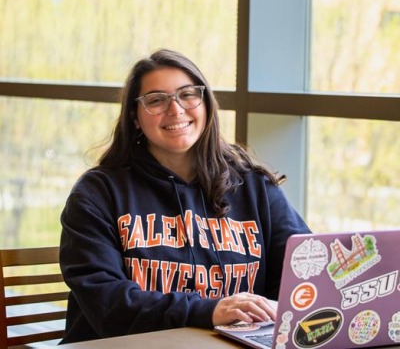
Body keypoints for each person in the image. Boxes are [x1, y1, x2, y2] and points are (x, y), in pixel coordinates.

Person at [59, 48, 311, 344]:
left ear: (205, 104)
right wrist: (209, 310)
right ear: (135, 118)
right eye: (155, 100)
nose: (176, 109)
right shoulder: (98, 194)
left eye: (188, 94)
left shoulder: (252, 186)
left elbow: (304, 271)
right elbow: (107, 302)